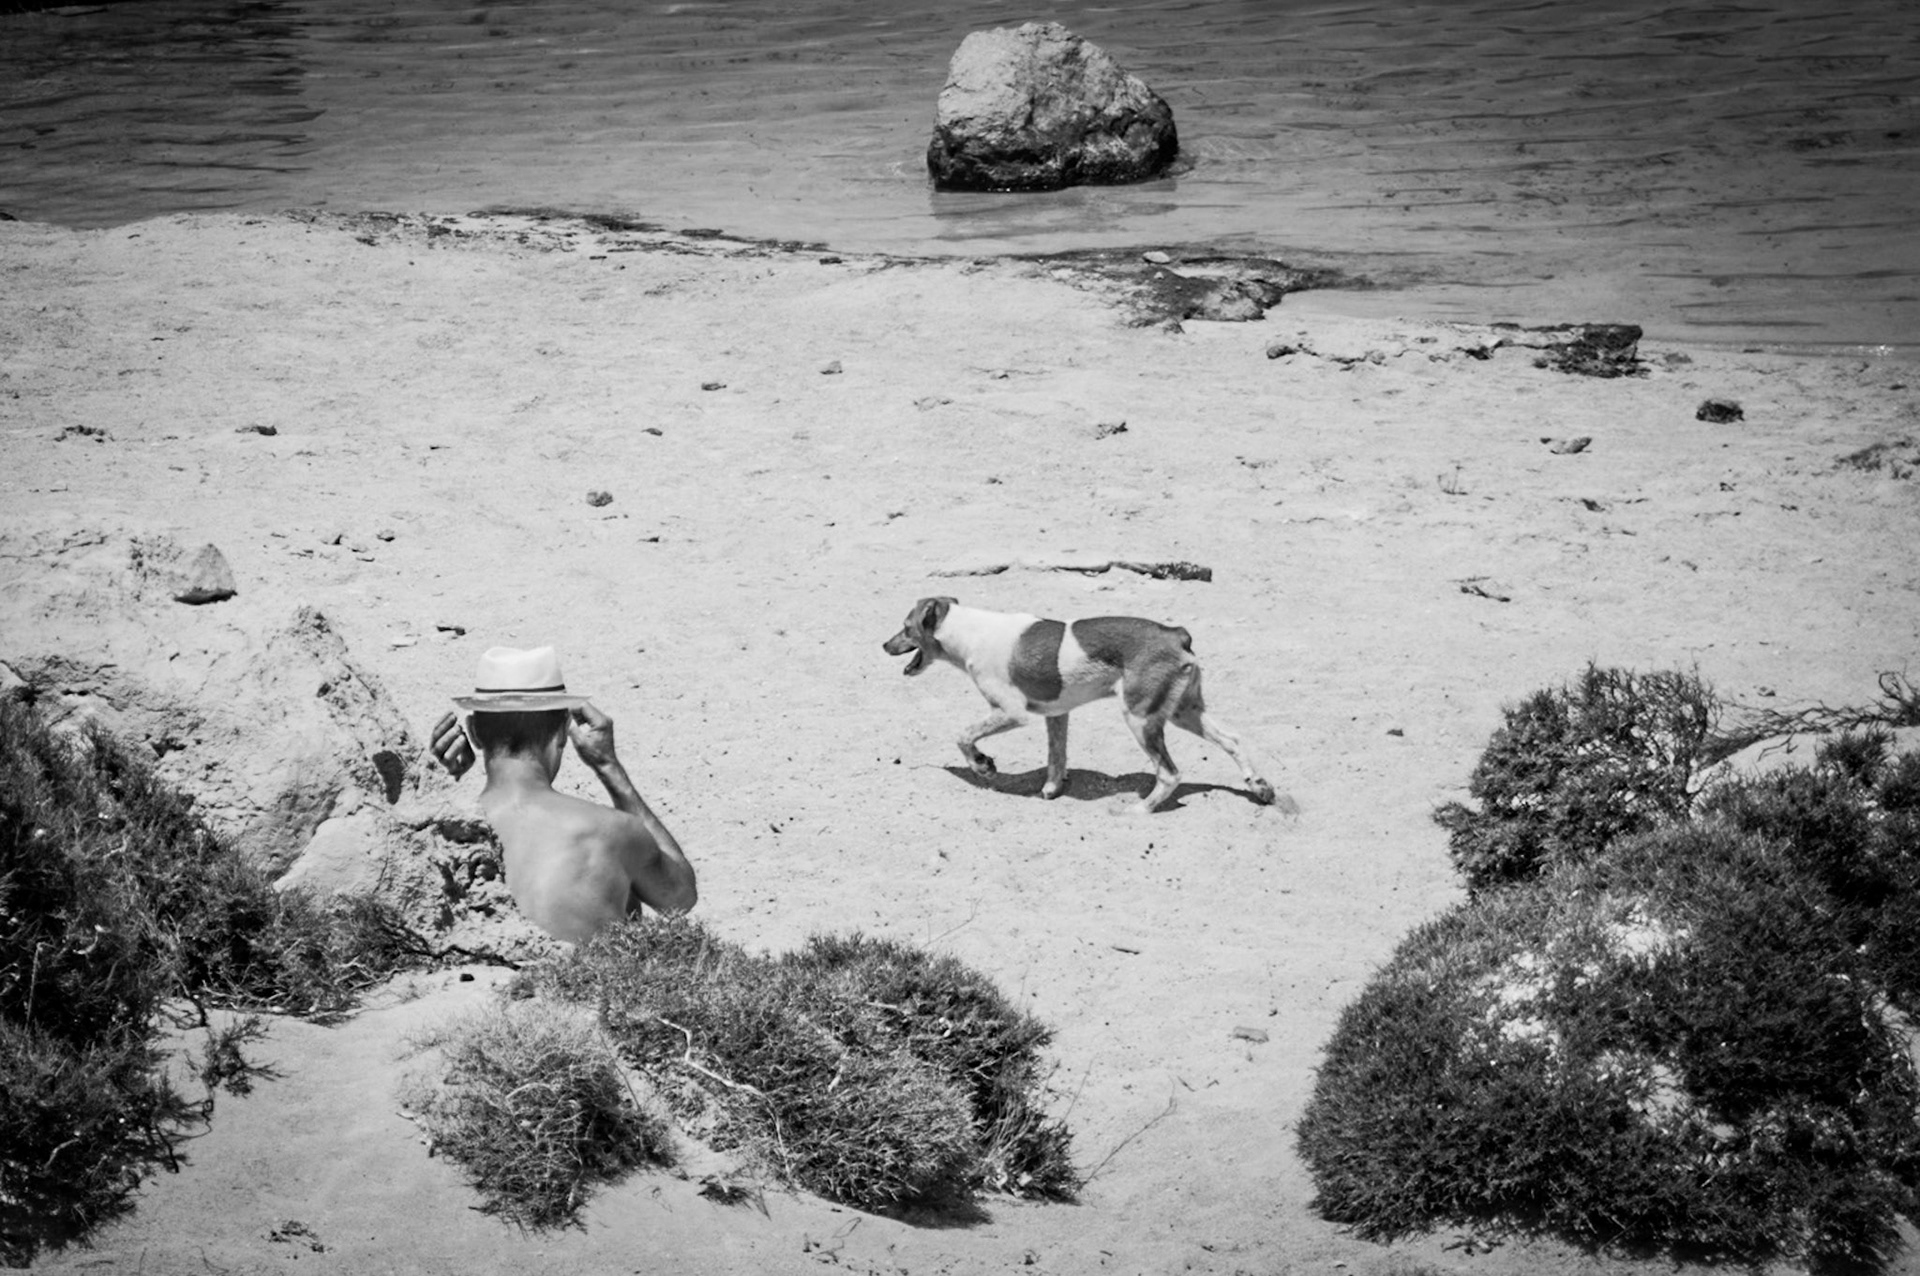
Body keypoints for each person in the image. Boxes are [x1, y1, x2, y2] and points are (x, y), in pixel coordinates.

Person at [428, 645, 695, 944]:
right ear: (561, 733)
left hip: (474, 981)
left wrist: (439, 783)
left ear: (474, 733)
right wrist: (609, 766)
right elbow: (679, 898)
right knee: (623, 882)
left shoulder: (439, 836)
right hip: (578, 985)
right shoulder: (612, 831)